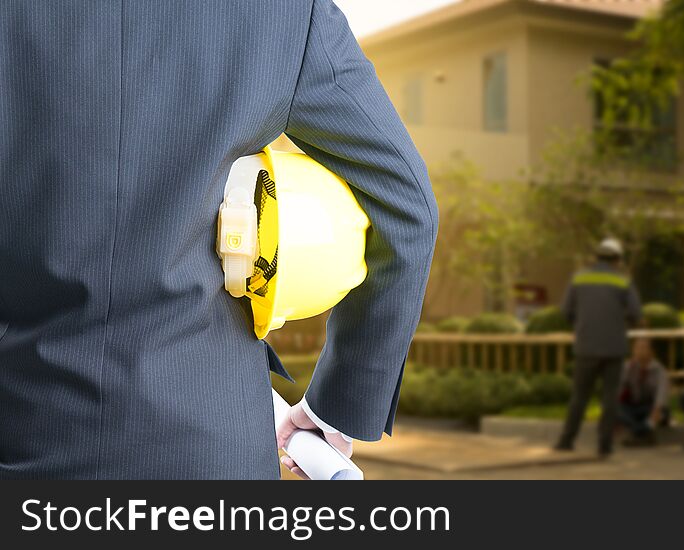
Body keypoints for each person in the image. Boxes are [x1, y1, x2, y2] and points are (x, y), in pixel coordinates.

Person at [0, 1, 438, 479]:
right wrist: (339, 403)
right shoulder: (286, 13)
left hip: (25, 431)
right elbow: (407, 208)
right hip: (215, 451)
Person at [555, 238, 642, 457]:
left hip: (585, 346)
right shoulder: (623, 281)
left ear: (597, 257)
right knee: (610, 397)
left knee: (579, 396)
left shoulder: (579, 277)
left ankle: (566, 441)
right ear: (618, 260)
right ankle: (605, 446)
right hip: (614, 347)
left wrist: (582, 324)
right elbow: (635, 313)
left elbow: (565, 311)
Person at [617, 338, 669, 446]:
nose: (639, 351)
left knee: (663, 413)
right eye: (636, 348)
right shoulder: (628, 367)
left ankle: (638, 433)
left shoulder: (659, 370)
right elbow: (617, 390)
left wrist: (656, 410)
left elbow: (661, 395)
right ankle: (644, 433)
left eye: (643, 348)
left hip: (650, 407)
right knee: (615, 410)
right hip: (633, 407)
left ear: (651, 352)